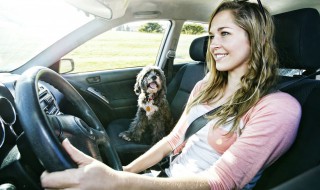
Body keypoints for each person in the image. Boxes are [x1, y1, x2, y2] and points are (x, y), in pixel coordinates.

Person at [40, 0, 301, 189]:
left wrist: (119, 183)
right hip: (167, 176)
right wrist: (124, 172)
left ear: (256, 40)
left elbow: (222, 181)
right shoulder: (205, 86)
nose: (213, 45)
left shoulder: (278, 108)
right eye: (211, 35)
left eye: (225, 34)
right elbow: (173, 140)